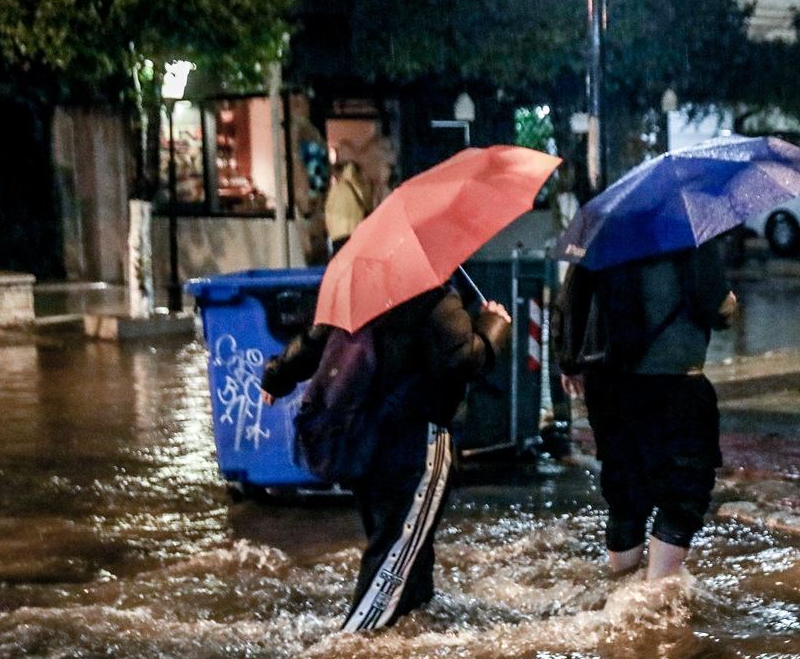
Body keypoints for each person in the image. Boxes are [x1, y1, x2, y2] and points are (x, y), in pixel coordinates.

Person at [260, 285, 511, 631]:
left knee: (409, 556)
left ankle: (410, 641)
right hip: (413, 445)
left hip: (362, 442)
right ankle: (351, 657)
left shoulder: (355, 294)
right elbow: (461, 360)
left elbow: (315, 341)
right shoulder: (435, 299)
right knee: (394, 559)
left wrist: (277, 375)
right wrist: (493, 326)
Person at [558, 241, 738, 581]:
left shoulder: (605, 225)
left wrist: (568, 362)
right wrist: (730, 304)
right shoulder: (687, 231)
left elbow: (571, 297)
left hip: (607, 383)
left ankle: (622, 590)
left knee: (626, 491)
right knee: (685, 489)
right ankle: (654, 595)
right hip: (675, 381)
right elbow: (714, 306)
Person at [324, 160, 370, 257]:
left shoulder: (336, 190)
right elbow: (367, 204)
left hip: (337, 236)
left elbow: (328, 212)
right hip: (355, 234)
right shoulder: (356, 188)